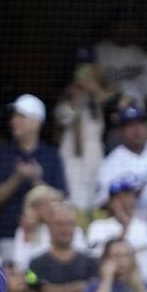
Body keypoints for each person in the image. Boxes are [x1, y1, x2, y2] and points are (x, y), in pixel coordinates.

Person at [0, 94, 68, 244]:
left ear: (36, 122)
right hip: (9, 235)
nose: (14, 121)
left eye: (21, 117)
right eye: (14, 117)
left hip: (47, 237)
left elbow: (61, 198)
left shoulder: (51, 155)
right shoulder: (0, 153)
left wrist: (36, 180)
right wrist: (17, 177)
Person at [28, 202, 100, 292]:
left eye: (70, 223)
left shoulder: (91, 262)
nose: (65, 229)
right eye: (59, 224)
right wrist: (77, 288)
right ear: (49, 226)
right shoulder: (35, 264)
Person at [55, 61, 111, 214]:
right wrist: (76, 92)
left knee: (94, 198)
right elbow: (64, 117)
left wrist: (93, 88)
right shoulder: (66, 100)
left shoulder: (96, 101)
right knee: (73, 199)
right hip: (72, 158)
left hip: (95, 157)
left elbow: (111, 101)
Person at [99, 106, 147, 223]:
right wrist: (128, 195)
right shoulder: (110, 163)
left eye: (140, 123)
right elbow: (102, 204)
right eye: (130, 125)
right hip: (132, 228)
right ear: (120, 132)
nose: (137, 129)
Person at [91, 12, 147, 106]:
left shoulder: (144, 57)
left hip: (137, 115)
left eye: (131, 26)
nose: (127, 30)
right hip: (104, 110)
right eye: (123, 25)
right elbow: (84, 79)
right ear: (113, 26)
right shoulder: (96, 52)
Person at [87, 179, 147, 255]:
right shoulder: (98, 226)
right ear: (110, 202)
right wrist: (124, 228)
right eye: (119, 197)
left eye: (128, 196)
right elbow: (97, 256)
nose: (124, 201)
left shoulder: (146, 227)